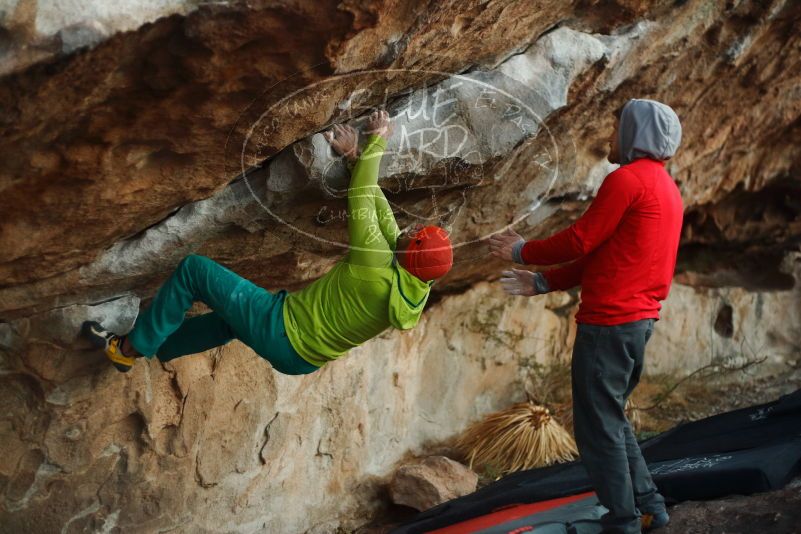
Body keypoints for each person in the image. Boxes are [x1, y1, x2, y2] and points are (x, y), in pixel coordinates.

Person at [84, 110, 453, 374]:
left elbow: (361, 197)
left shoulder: (375, 267)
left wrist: (376, 144)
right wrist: (356, 157)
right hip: (302, 358)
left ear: (409, 255)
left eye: (413, 239)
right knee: (232, 320)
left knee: (194, 270)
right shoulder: (412, 283)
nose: (408, 231)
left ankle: (129, 349)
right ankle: (162, 346)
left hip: (283, 329)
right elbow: (381, 211)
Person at [489, 99, 683, 533]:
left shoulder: (626, 180)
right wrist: (542, 282)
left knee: (597, 429)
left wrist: (523, 250)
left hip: (609, 324)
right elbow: (604, 255)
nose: (610, 139)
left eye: (617, 129)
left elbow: (580, 240)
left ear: (635, 134)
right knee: (610, 418)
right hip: (636, 325)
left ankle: (623, 520)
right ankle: (651, 505)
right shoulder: (666, 190)